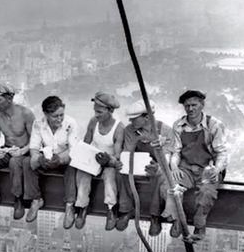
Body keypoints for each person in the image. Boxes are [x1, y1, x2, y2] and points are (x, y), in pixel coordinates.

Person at [158, 90, 229, 239]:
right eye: (187, 106)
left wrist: (217, 169)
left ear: (202, 105)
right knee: (169, 184)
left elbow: (222, 152)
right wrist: (174, 167)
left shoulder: (214, 125)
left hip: (208, 169)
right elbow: (176, 151)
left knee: (206, 193)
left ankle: (199, 224)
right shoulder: (178, 125)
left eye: (194, 105)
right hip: (186, 168)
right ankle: (177, 219)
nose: (191, 109)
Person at [0, 82, 36, 219]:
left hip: (24, 152)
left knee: (15, 162)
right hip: (7, 150)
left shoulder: (26, 114)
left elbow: (35, 140)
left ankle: (18, 199)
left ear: (9, 99)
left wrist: (22, 151)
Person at [114, 103, 174, 233]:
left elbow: (167, 159)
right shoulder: (130, 130)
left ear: (147, 117)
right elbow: (128, 152)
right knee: (122, 171)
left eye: (134, 118)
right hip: (138, 163)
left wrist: (157, 166)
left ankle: (155, 216)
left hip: (158, 165)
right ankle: (126, 209)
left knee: (161, 176)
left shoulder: (165, 131)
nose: (130, 121)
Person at [74, 92, 125, 231]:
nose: (96, 115)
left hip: (108, 161)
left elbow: (117, 154)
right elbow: (86, 142)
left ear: (111, 111)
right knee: (83, 173)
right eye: (95, 111)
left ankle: (111, 208)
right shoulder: (93, 122)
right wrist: (82, 157)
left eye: (100, 112)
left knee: (109, 176)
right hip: (93, 158)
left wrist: (109, 160)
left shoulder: (118, 128)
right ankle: (82, 206)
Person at [26, 96, 79, 226]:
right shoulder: (38, 123)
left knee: (73, 166)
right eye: (55, 116)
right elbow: (33, 147)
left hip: (65, 159)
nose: (59, 119)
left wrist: (60, 159)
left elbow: (74, 150)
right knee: (27, 163)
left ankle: (69, 205)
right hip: (46, 158)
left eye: (61, 115)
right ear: (46, 114)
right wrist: (39, 158)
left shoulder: (71, 123)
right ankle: (36, 199)